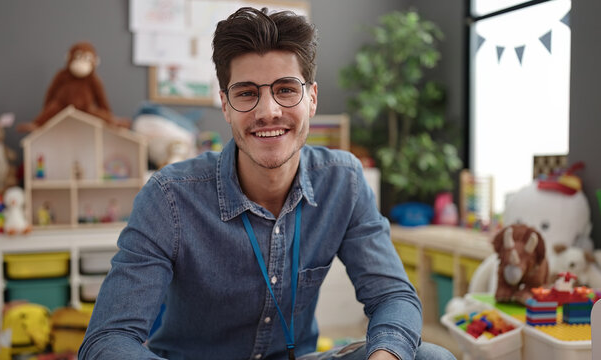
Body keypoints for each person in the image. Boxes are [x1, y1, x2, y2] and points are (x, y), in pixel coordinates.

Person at [79, 7, 456, 360]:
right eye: (246, 93)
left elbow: (392, 295)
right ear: (225, 105)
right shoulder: (169, 196)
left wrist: (384, 356)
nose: (267, 111)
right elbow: (107, 339)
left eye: (286, 89)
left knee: (431, 356)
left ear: (312, 98)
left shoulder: (344, 180)